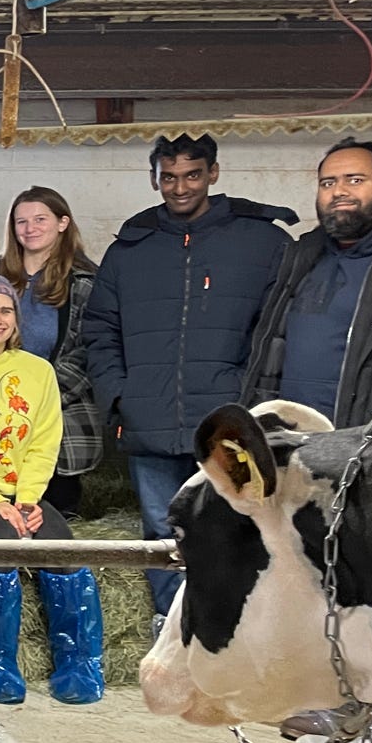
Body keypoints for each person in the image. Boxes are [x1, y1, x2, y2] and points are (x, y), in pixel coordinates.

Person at [81, 134, 293, 621]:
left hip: (230, 424)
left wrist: (257, 399)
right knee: (162, 531)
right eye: (169, 177)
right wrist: (120, 395)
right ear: (154, 178)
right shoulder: (131, 249)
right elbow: (100, 329)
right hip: (150, 420)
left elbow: (281, 327)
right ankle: (171, 633)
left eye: (192, 175)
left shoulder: (263, 242)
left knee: (240, 526)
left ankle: (234, 635)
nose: (180, 187)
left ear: (213, 173)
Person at [0, 275, 105, 706]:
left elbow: (46, 439)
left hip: (22, 489)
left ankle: (80, 662)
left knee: (63, 549)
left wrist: (28, 498)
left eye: (5, 310)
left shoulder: (37, 371)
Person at [244, 138, 372, 428]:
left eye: (355, 179)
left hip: (366, 449)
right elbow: (270, 352)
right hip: (292, 445)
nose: (339, 191)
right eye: (327, 183)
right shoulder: (301, 254)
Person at [0, 187, 102, 517]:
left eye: (39, 219)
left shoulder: (86, 281)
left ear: (62, 223)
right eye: (21, 221)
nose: (29, 228)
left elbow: (92, 347)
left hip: (60, 406)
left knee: (54, 510)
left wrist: (41, 393)